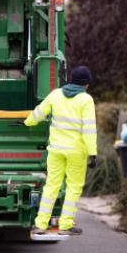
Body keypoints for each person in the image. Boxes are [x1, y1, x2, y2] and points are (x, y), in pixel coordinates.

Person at [24, 66, 97, 235]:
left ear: (71, 80)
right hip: (76, 152)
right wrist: (92, 153)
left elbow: (39, 113)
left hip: (56, 150)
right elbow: (89, 129)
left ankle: (41, 224)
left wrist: (26, 122)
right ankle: (65, 225)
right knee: (73, 187)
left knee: (51, 186)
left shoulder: (56, 94)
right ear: (86, 84)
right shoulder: (86, 100)